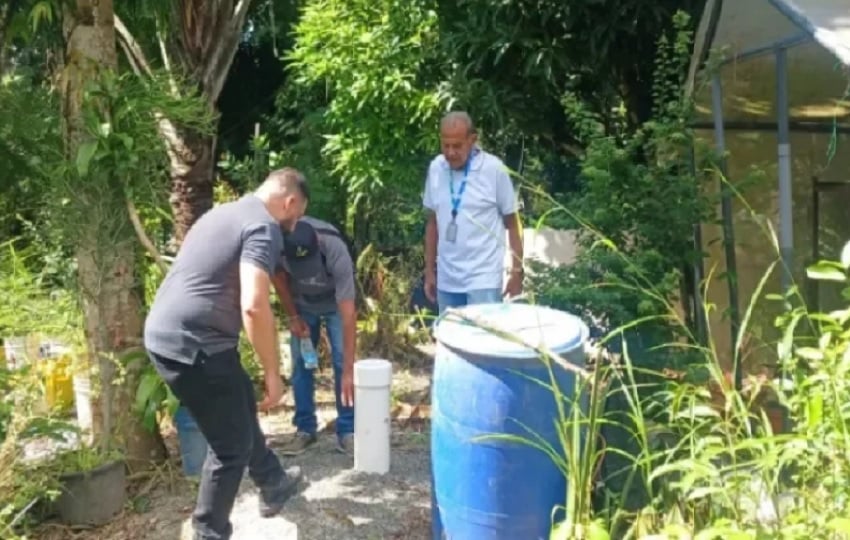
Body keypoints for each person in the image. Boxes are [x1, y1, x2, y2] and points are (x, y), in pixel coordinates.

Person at [143, 168, 308, 540]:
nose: (293, 225)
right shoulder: (264, 226)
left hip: (167, 336)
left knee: (238, 402)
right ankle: (208, 531)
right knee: (230, 447)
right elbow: (253, 305)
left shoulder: (223, 213)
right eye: (296, 217)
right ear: (290, 201)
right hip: (197, 345)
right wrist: (272, 372)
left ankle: (273, 482)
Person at [422, 111, 524, 314]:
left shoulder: (494, 169)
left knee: (482, 342)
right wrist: (429, 271)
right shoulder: (436, 168)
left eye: (457, 146)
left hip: (483, 277)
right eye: (446, 145)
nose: (450, 152)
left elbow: (513, 223)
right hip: (447, 278)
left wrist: (517, 272)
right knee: (451, 341)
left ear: (472, 140)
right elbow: (433, 223)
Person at [272, 216, 357, 456]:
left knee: (342, 362)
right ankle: (305, 430)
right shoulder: (277, 243)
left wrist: (350, 369)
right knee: (301, 364)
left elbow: (349, 314)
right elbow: (278, 277)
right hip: (302, 304)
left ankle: (348, 430)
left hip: (335, 304)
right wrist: (293, 317)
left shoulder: (334, 246)